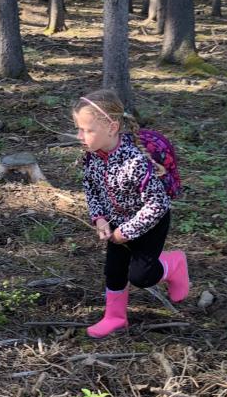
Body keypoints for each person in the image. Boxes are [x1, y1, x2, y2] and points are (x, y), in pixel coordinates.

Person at [73, 89, 189, 338]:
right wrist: (99, 218)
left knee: (142, 276)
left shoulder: (135, 161)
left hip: (150, 224)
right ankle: (115, 317)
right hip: (116, 222)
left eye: (87, 130)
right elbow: (91, 188)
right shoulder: (91, 157)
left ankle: (174, 264)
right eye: (78, 129)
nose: (79, 136)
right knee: (114, 271)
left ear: (112, 127)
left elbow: (157, 204)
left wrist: (126, 232)